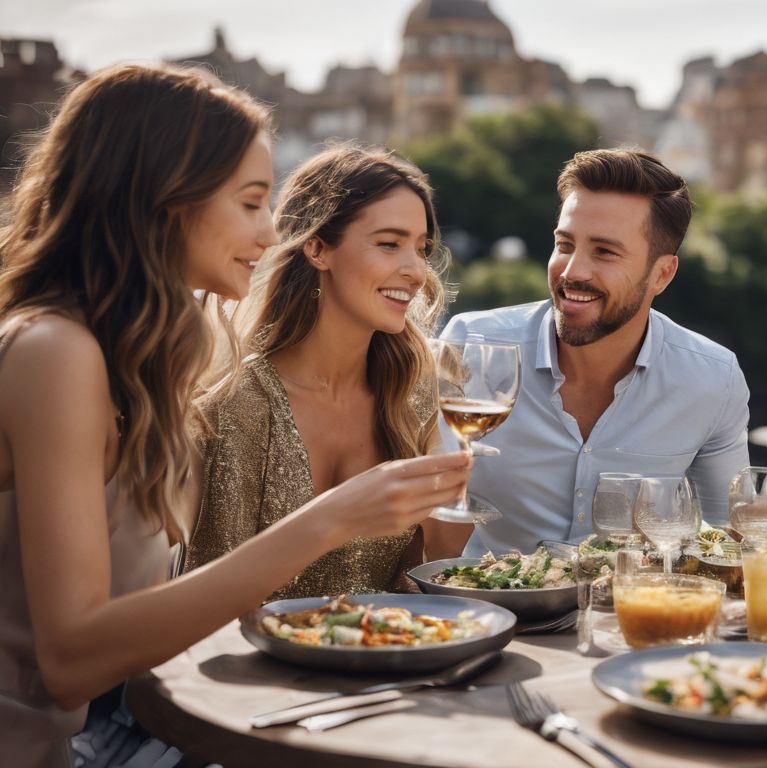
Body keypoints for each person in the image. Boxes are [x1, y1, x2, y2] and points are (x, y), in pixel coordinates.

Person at [0, 64, 470, 767]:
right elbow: (71, 659)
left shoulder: (145, 349)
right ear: (162, 200)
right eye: (250, 202)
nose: (271, 227)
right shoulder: (57, 350)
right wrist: (334, 517)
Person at [186, 145, 474, 598]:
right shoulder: (239, 401)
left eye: (422, 249)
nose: (416, 271)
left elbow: (435, 567)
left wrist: (455, 486)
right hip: (260, 664)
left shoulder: (415, 391)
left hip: (393, 655)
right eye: (389, 243)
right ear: (318, 248)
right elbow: (211, 590)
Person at [441, 148, 750, 555]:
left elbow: (730, 540)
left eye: (604, 252)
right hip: (490, 611)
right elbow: (429, 521)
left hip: (628, 613)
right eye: (565, 245)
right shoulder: (471, 347)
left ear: (662, 274)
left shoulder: (714, 380)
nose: (572, 272)